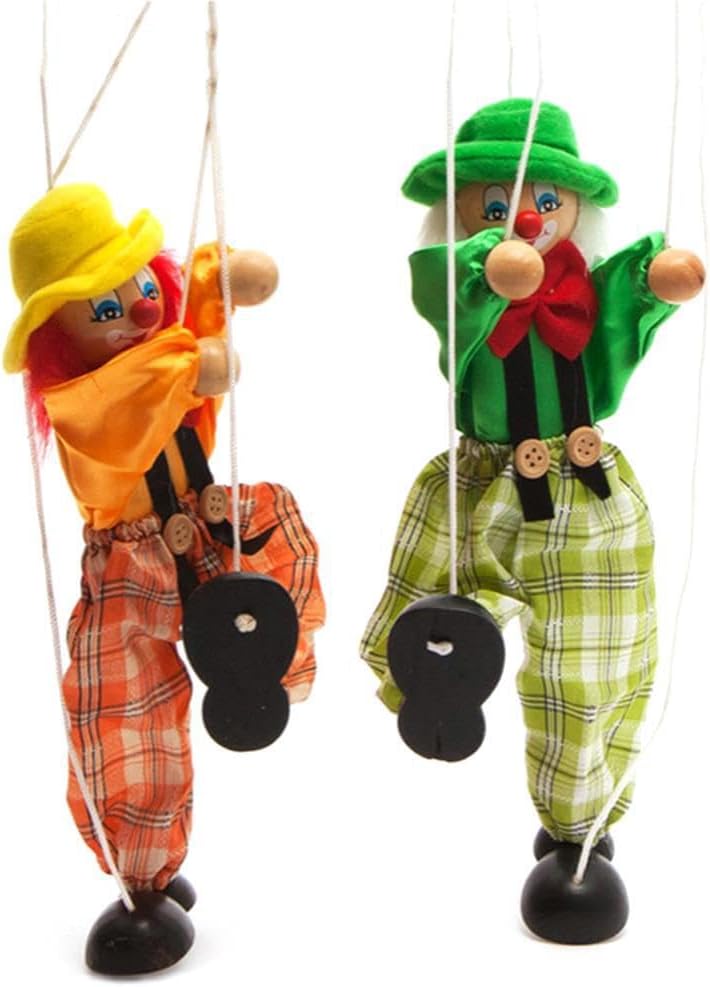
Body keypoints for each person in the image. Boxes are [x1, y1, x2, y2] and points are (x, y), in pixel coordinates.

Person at [360, 98, 704, 944]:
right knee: (424, 615)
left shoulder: (585, 288)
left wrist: (656, 280)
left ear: (576, 208)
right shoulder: (460, 279)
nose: (525, 216)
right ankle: (430, 687)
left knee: (596, 661)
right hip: (482, 480)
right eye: (497, 203)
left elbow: (628, 301)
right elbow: (449, 287)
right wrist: (491, 264)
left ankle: (577, 824)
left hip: (583, 488)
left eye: (547, 201)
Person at [5, 183, 325, 974]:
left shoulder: (159, 348)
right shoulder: (83, 401)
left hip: (200, 519)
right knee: (124, 712)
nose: (140, 309)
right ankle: (142, 870)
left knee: (277, 547)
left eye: (142, 283)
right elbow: (135, 398)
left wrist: (221, 284)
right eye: (104, 306)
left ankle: (269, 674)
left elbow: (187, 341)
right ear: (59, 336)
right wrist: (191, 363)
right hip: (130, 565)